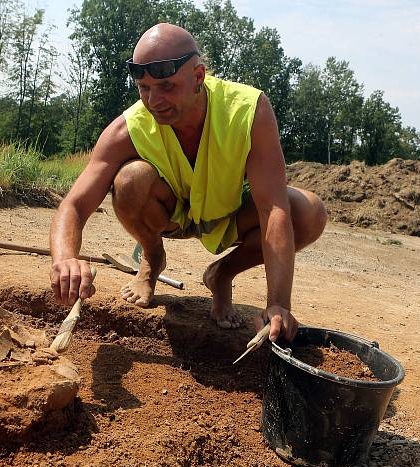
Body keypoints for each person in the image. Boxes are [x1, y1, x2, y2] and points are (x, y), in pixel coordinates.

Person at [49, 23, 327, 343]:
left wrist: (278, 302)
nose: (154, 100)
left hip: (230, 216)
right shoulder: (128, 128)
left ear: (198, 77)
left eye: (167, 86)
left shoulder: (248, 111)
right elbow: (74, 204)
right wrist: (64, 259)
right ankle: (153, 262)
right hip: (171, 217)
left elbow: (273, 207)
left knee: (309, 212)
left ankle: (222, 274)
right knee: (130, 179)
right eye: (144, 88)